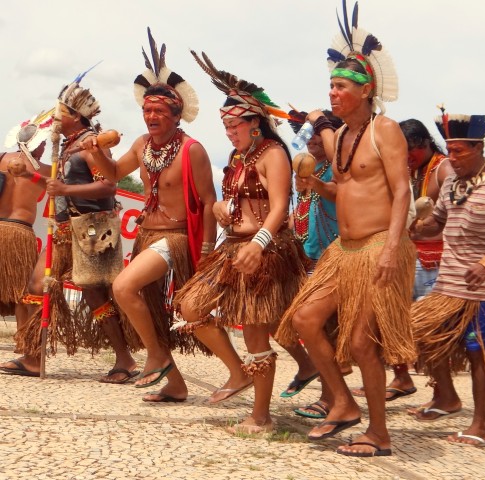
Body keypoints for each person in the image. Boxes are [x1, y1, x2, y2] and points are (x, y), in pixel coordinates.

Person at [276, 3, 417, 457]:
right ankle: (342, 403)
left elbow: (401, 193)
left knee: (360, 341)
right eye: (331, 86)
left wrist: (394, 246)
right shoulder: (343, 138)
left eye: (340, 86)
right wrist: (318, 180)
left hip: (379, 246)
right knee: (304, 319)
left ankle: (379, 432)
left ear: (365, 90)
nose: (333, 93)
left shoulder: (386, 130)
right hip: (345, 249)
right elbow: (344, 187)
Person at [80, 30, 217, 403]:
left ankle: (157, 356)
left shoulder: (193, 150)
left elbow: (207, 202)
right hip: (146, 236)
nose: (151, 115)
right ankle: (175, 383)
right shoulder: (141, 145)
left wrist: (205, 252)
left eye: (159, 111)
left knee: (124, 288)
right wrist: (93, 151)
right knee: (152, 313)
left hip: (174, 238)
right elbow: (110, 174)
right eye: (147, 110)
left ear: (176, 116)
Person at [175, 51, 308, 434]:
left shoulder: (273, 154)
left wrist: (259, 244)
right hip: (233, 246)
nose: (229, 131)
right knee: (189, 306)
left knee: (255, 330)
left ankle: (261, 417)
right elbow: (233, 200)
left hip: (264, 250)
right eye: (226, 125)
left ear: (256, 123)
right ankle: (238, 372)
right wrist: (219, 207)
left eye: (235, 124)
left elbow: (280, 207)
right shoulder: (236, 156)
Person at [0, 75, 138, 381]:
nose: (55, 117)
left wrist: (65, 191)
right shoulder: (68, 147)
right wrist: (30, 176)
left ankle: (125, 361)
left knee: (95, 296)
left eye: (60, 112)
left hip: (92, 228)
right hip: (65, 228)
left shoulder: (91, 145)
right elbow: (55, 187)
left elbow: (109, 186)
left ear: (75, 116)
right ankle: (34, 358)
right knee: (36, 287)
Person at [410, 109, 485, 447]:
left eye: (459, 151)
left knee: (480, 352)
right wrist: (419, 226)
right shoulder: (451, 183)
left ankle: (481, 426)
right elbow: (439, 223)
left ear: (478, 147)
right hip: (449, 282)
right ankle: (447, 397)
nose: (452, 158)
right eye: (450, 151)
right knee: (420, 334)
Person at [351, 119, 452, 403]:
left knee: (430, 330)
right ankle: (402, 377)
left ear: (424, 144)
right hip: (409, 256)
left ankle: (444, 395)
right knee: (389, 318)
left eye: (410, 152)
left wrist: (427, 224)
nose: (406, 158)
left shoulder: (444, 168)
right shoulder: (413, 170)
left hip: (435, 260)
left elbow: (453, 213)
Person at [287, 109, 345, 419]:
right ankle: (332, 396)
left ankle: (331, 399)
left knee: (323, 328)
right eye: (311, 137)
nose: (312, 143)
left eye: (320, 138)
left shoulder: (339, 169)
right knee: (315, 328)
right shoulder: (314, 167)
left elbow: (339, 192)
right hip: (311, 259)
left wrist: (313, 182)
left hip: (335, 259)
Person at [0, 110, 52, 337]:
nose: (44, 149)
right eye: (44, 144)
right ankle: (23, 339)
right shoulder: (44, 170)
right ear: (38, 144)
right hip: (20, 233)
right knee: (23, 291)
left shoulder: (1, 159)